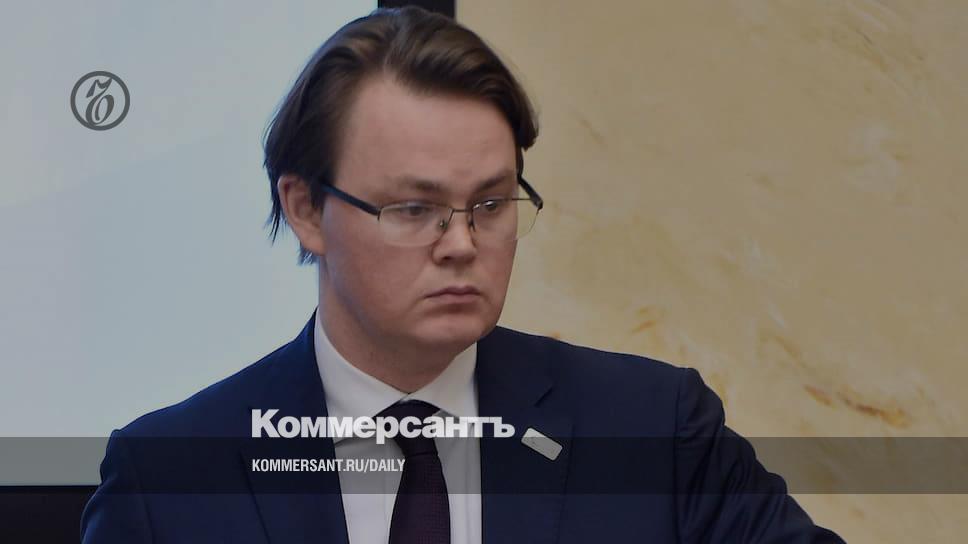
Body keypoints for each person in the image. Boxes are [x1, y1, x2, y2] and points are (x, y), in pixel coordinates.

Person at [81, 6, 845, 543]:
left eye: (490, 203)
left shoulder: (655, 430)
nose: (461, 243)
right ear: (306, 209)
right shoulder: (168, 478)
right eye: (415, 209)